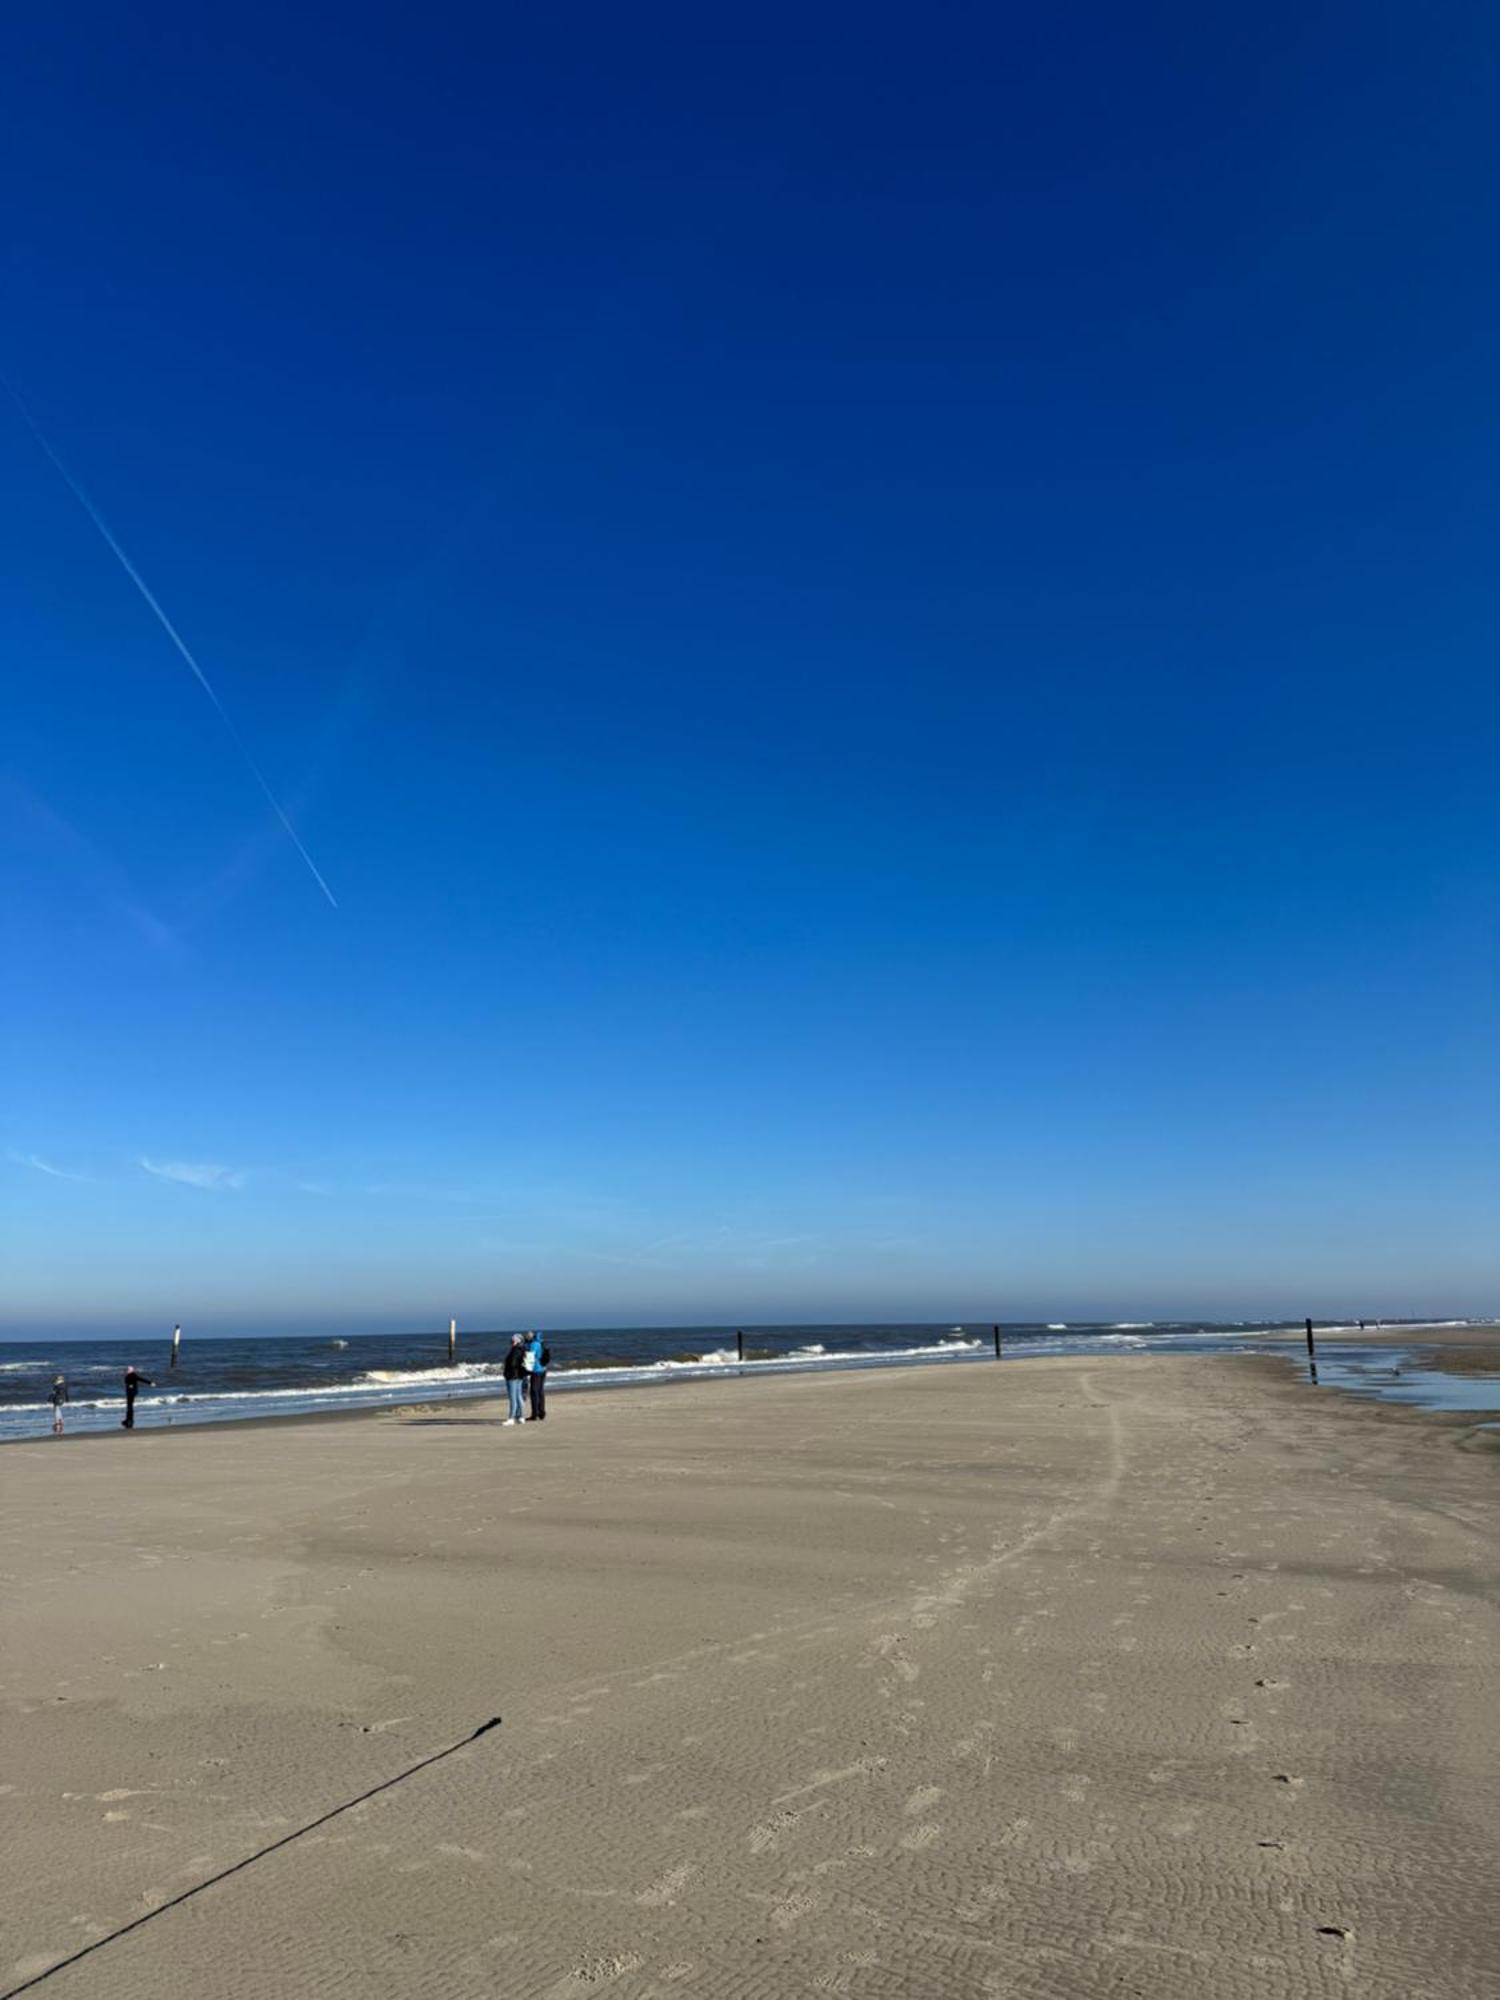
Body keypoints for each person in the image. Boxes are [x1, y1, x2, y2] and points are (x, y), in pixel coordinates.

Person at [501, 1334, 527, 1425]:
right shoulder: (522, 1349)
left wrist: (507, 1371)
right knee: (518, 1396)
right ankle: (521, 1417)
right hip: (519, 1376)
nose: (511, 1342)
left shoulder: (515, 1350)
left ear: (517, 1341)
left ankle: (511, 1418)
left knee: (513, 1397)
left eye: (512, 1341)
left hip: (513, 1376)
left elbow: (512, 1363)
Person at [122, 1364, 153, 1429]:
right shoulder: (134, 1376)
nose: (127, 1371)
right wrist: (150, 1383)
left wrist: (129, 1385)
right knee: (130, 1406)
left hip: (130, 1393)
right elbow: (142, 1379)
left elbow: (126, 1382)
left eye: (128, 1370)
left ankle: (129, 1420)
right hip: (134, 1392)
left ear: (130, 1370)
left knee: (129, 1407)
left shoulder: (128, 1376)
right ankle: (129, 1420)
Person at [527, 1332, 549, 1422]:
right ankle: (542, 1412)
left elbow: (529, 1358)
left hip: (536, 1370)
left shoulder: (534, 1344)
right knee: (540, 1391)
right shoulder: (541, 1343)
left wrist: (527, 1370)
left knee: (534, 1392)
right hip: (543, 1369)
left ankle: (535, 1414)